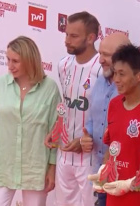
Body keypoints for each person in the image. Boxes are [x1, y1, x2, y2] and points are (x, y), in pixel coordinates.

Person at [0, 36, 61, 206]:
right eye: (8, 59)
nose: (10, 66)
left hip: (35, 169)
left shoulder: (50, 88)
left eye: (16, 61)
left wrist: (52, 167)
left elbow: (55, 131)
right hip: (3, 167)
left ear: (30, 60)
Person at [80, 32, 140, 206]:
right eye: (115, 74)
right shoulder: (115, 104)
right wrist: (104, 171)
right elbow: (112, 145)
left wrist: (134, 183)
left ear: (139, 76)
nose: (117, 80)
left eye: (122, 74)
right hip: (112, 192)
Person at [44, 11, 102, 206]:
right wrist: (57, 128)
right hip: (64, 151)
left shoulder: (102, 70)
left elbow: (107, 114)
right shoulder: (63, 65)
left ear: (91, 38)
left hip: (90, 155)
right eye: (66, 34)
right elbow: (66, 103)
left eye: (74, 36)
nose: (67, 40)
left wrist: (88, 138)